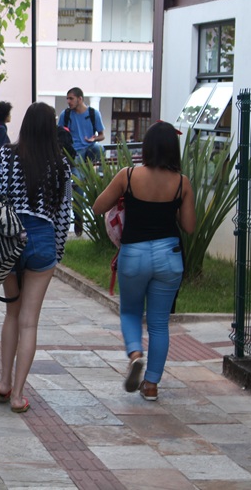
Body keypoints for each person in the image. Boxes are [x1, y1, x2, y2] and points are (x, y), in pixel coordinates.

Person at [92, 121, 196, 402]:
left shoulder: (128, 176)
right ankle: (151, 385)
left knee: (130, 313)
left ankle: (135, 354)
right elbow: (188, 226)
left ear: (147, 148)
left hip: (134, 255)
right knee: (160, 323)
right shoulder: (182, 183)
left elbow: (98, 206)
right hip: (169, 255)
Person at [0, 102, 72, 413]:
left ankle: (4, 383)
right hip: (43, 240)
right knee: (30, 322)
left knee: (11, 315)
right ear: (51, 128)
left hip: (10, 238)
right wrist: (56, 252)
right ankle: (19, 395)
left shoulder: (7, 154)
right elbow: (64, 216)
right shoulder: (60, 164)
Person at [61, 87, 105, 237]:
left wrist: (93, 139)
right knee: (77, 185)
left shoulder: (93, 113)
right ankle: (79, 220)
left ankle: (91, 172)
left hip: (89, 149)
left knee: (101, 149)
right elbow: (59, 134)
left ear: (80, 99)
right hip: (74, 153)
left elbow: (102, 135)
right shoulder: (65, 115)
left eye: (71, 98)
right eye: (67, 98)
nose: (68, 101)